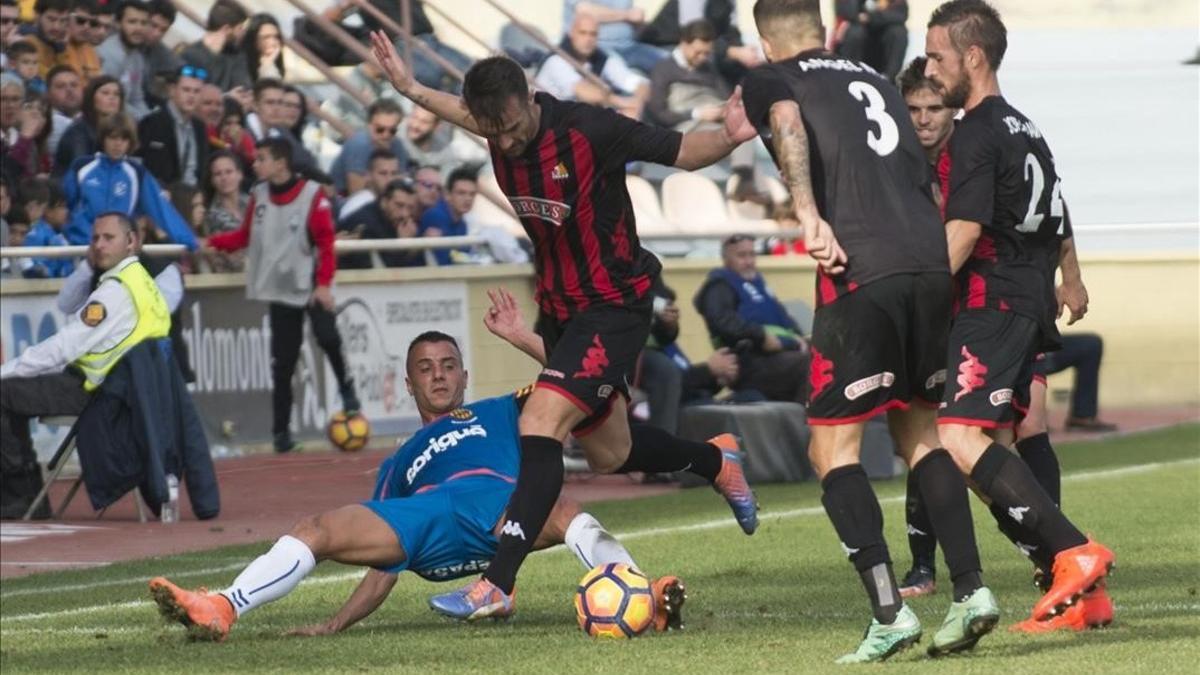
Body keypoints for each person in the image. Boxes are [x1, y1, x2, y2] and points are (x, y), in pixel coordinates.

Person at [370, 30, 760, 621]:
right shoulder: (495, 122)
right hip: (560, 308)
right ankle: (714, 461)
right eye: (490, 130)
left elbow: (679, 149)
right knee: (610, 453)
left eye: (509, 126)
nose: (502, 139)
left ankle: (497, 583)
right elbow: (460, 110)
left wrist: (729, 137)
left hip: (614, 303)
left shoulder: (588, 129)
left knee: (541, 421)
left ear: (531, 97)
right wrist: (409, 87)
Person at [741, 0, 999, 661]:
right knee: (920, 432)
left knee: (832, 451)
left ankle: (890, 612)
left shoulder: (775, 77)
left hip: (861, 270)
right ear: (825, 27)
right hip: (927, 261)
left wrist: (807, 214)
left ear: (765, 39)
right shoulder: (876, 79)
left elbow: (785, 121)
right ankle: (971, 590)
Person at [147, 331, 686, 641]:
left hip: (500, 505)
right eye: (426, 368)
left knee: (565, 508)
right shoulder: (399, 461)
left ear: (465, 377)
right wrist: (335, 624)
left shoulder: (503, 408)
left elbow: (574, 377)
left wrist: (524, 336)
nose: (439, 375)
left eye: (449, 365)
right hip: (427, 520)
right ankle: (224, 606)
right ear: (409, 383)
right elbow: (385, 568)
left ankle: (644, 595)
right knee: (317, 528)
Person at [923, 0, 1114, 633]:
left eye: (938, 56)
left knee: (957, 436)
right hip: (1025, 299)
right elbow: (1057, 213)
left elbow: (964, 230)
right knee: (989, 453)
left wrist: (915, 295)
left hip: (991, 301)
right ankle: (1080, 590)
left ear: (971, 56)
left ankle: (1076, 555)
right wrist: (1072, 275)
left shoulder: (976, 131)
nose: (931, 68)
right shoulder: (1026, 128)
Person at [0, 212, 170, 519]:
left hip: (94, 391)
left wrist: (6, 370)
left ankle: (19, 494)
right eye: (95, 238)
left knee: (3, 392)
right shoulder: (142, 282)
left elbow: (64, 347)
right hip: (121, 392)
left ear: (131, 241)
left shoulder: (114, 292)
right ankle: (24, 493)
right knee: (11, 392)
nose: (99, 245)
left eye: (108, 238)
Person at [204, 137, 360, 453]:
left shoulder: (312, 195)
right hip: (279, 289)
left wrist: (324, 284)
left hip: (311, 283)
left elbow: (326, 243)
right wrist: (213, 242)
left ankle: (347, 389)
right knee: (284, 363)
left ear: (280, 163)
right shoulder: (258, 196)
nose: (255, 164)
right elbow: (245, 235)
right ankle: (281, 434)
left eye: (261, 158)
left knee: (327, 336)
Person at [694, 234, 809, 404]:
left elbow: (784, 319)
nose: (749, 261)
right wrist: (761, 335)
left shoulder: (759, 284)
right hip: (750, 360)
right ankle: (806, 424)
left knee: (828, 355)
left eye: (752, 254)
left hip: (780, 354)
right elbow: (722, 321)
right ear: (726, 259)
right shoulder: (719, 285)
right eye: (741, 255)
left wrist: (798, 338)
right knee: (808, 364)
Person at [62, 112, 197, 248]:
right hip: (83, 247)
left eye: (124, 139)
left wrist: (190, 241)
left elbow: (162, 209)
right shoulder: (81, 167)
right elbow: (64, 207)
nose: (118, 144)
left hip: (120, 250)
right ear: (103, 139)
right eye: (113, 137)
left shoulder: (137, 173)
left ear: (130, 142)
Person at [536, 13, 650, 119]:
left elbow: (636, 82)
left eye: (593, 34)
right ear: (571, 33)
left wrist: (638, 102)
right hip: (547, 120)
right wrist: (623, 102)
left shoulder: (601, 58)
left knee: (629, 115)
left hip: (577, 119)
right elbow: (584, 92)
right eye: (583, 33)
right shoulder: (556, 60)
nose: (588, 39)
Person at [136, 64, 209, 188]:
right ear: (172, 90)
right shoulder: (152, 123)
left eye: (196, 91)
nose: (191, 96)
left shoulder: (200, 127)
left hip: (193, 197)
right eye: (186, 90)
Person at [338, 178, 425, 269]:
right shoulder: (365, 224)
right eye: (399, 205)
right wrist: (402, 246)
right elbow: (377, 272)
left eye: (410, 208)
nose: (405, 214)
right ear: (384, 202)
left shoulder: (400, 224)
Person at [329, 99, 408, 196]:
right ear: (369, 125)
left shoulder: (397, 144)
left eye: (392, 130)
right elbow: (356, 193)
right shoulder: (359, 145)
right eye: (380, 129)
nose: (386, 135)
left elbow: (402, 182)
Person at [564, 0, 666, 75]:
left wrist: (639, 22)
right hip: (597, 49)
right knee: (628, 79)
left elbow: (631, 20)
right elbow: (585, 12)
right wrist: (627, 15)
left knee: (671, 63)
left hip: (629, 46)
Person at [54, 74, 123, 175]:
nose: (112, 98)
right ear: (91, 98)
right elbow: (81, 169)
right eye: (105, 93)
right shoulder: (78, 132)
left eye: (116, 94)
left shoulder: (122, 128)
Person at [96, 0, 151, 120]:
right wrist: (143, 119)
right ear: (117, 23)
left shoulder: (137, 57)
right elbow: (110, 101)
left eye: (143, 23)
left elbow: (136, 98)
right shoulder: (108, 53)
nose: (138, 28)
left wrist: (150, 119)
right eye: (132, 22)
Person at [177, 0, 249, 92]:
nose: (243, 33)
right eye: (240, 28)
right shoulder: (190, 56)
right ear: (227, 29)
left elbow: (243, 88)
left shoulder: (236, 57)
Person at [398, 105, 488, 176]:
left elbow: (446, 180)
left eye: (424, 122)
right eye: (414, 117)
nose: (416, 125)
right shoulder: (395, 136)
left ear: (436, 127)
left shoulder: (444, 151)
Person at [834, 0, 909, 81]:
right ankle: (849, 77)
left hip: (882, 40)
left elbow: (901, 14)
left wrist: (870, 17)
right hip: (859, 42)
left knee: (898, 32)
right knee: (855, 32)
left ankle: (889, 79)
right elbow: (848, 11)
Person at [199, 149, 248, 273]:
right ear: (212, 180)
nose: (224, 178)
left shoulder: (254, 203)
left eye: (229, 172)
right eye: (218, 174)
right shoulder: (211, 215)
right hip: (231, 276)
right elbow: (226, 255)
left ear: (240, 174)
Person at [418, 167, 476, 265]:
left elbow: (463, 258)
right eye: (461, 193)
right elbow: (443, 263)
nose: (468, 199)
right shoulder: (435, 215)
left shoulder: (462, 223)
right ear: (447, 195)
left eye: (472, 194)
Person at [20, 180, 73, 278]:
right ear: (47, 210)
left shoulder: (59, 234)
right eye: (61, 206)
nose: (66, 211)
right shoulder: (35, 235)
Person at [337, 147, 401, 222]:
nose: (390, 179)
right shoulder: (360, 206)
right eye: (383, 173)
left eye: (394, 173)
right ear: (368, 176)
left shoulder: (388, 203)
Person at [142, 0, 181, 105]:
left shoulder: (160, 52)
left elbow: (179, 68)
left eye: (163, 30)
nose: (157, 34)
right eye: (153, 25)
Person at [19, 0, 70, 78]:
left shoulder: (60, 44)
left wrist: (61, 51)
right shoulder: (27, 43)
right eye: (51, 19)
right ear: (37, 16)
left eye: (62, 21)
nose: (57, 27)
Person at [43, 63, 79, 156]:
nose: (69, 90)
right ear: (48, 94)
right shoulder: (52, 122)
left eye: (74, 85)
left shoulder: (84, 116)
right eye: (61, 86)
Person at [62, 0, 101, 81]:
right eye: (81, 21)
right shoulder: (57, 47)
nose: (86, 27)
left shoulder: (91, 51)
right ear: (67, 19)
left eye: (92, 23)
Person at [240, 13, 283, 82]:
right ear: (254, 40)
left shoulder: (274, 63)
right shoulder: (240, 66)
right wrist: (267, 65)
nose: (273, 42)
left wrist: (268, 63)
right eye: (266, 37)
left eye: (276, 37)